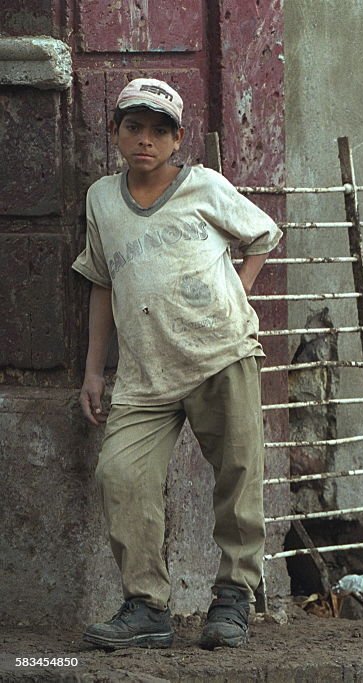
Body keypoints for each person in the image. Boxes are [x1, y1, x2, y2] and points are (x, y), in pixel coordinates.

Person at [72, 78, 282, 650]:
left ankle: (233, 598)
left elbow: (262, 234)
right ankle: (146, 607)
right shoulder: (100, 199)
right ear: (115, 132)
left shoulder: (204, 187)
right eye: (134, 127)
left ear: (178, 139)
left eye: (160, 131)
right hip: (144, 373)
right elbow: (100, 281)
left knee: (238, 477)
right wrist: (95, 371)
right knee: (121, 473)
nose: (146, 140)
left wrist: (239, 292)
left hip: (220, 353)